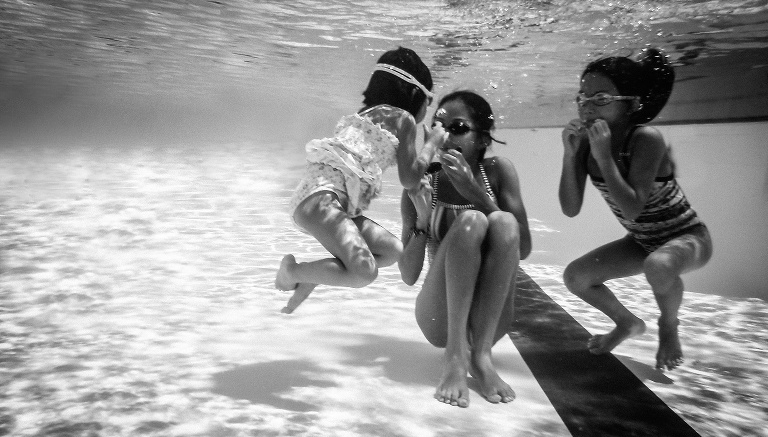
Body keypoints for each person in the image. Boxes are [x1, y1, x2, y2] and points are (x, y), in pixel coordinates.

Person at [558, 47, 713, 371]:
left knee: (659, 266)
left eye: (600, 98)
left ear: (632, 103)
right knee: (575, 277)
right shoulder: (587, 144)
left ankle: (668, 325)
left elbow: (631, 209)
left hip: (689, 237)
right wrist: (570, 156)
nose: (587, 107)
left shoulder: (646, 139)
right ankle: (626, 323)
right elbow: (570, 209)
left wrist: (603, 158)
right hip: (642, 241)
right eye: (582, 98)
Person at [275, 47, 447, 313]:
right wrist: (432, 144)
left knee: (392, 251)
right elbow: (410, 179)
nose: (428, 105)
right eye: (429, 97)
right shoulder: (404, 119)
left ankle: (312, 275)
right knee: (364, 272)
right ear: (414, 93)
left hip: (319, 202)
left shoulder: (364, 115)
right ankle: (294, 272)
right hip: (323, 201)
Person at [399, 90, 531, 408]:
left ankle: (481, 357)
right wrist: (423, 219)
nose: (444, 135)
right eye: (439, 126)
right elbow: (408, 274)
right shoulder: (421, 183)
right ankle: (455, 357)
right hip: (439, 320)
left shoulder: (498, 172)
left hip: (491, 321)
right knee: (471, 221)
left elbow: (523, 248)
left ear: (482, 140)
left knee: (505, 223)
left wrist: (476, 192)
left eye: (456, 127)